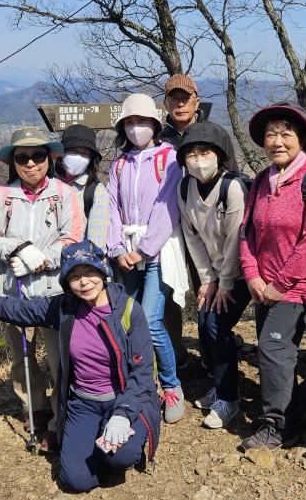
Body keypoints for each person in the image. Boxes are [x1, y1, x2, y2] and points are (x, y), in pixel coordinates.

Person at [0, 242, 161, 493]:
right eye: (74, 276)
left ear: (103, 271)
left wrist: (123, 414)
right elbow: (20, 310)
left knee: (122, 456)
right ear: (66, 282)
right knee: (76, 481)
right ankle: (97, 447)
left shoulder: (129, 310)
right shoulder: (64, 307)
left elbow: (143, 373)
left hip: (122, 400)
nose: (84, 282)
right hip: (83, 403)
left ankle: (115, 446)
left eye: (89, 272)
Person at [239, 101, 306, 450]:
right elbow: (246, 232)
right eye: (270, 135)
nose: (277, 141)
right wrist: (253, 277)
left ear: (301, 140)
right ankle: (290, 412)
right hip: (263, 285)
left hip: (295, 285)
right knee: (279, 351)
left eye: (285, 134)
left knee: (272, 347)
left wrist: (280, 284)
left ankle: (278, 425)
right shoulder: (262, 180)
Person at [0, 127, 84, 452]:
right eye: (22, 157)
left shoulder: (64, 194)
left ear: (49, 157)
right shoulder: (2, 195)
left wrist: (41, 258)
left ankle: (60, 419)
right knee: (21, 357)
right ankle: (35, 407)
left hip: (54, 290)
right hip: (14, 291)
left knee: (59, 359)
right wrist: (19, 249)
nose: (30, 164)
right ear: (14, 161)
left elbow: (72, 240)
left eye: (37, 156)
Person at [107, 92, 187, 423]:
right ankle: (143, 380)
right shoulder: (119, 163)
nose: (136, 128)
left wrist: (144, 249)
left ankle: (172, 386)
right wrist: (116, 249)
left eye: (141, 121)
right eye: (129, 122)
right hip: (127, 251)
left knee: (151, 319)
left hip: (159, 250)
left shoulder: (168, 158)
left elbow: (167, 207)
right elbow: (111, 207)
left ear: (155, 124)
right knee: (128, 320)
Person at [158, 73, 239, 371]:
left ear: (196, 100)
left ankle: (213, 355)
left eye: (184, 98)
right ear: (165, 103)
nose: (179, 104)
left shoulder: (214, 133)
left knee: (210, 286)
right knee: (169, 291)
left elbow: (232, 178)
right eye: (173, 99)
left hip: (209, 227)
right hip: (169, 230)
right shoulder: (159, 139)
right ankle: (176, 355)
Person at [175, 121, 251, 430]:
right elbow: (193, 237)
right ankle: (220, 385)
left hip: (243, 272)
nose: (197, 159)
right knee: (205, 324)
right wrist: (207, 280)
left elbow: (237, 239)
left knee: (217, 326)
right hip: (216, 275)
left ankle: (229, 398)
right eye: (191, 153)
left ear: (219, 155)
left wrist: (226, 282)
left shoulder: (233, 187)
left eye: (204, 151)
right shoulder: (184, 188)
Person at [55, 123, 111, 250]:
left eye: (84, 153)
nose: (78, 157)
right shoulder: (48, 184)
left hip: (77, 265)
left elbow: (96, 245)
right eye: (73, 151)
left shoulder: (96, 192)